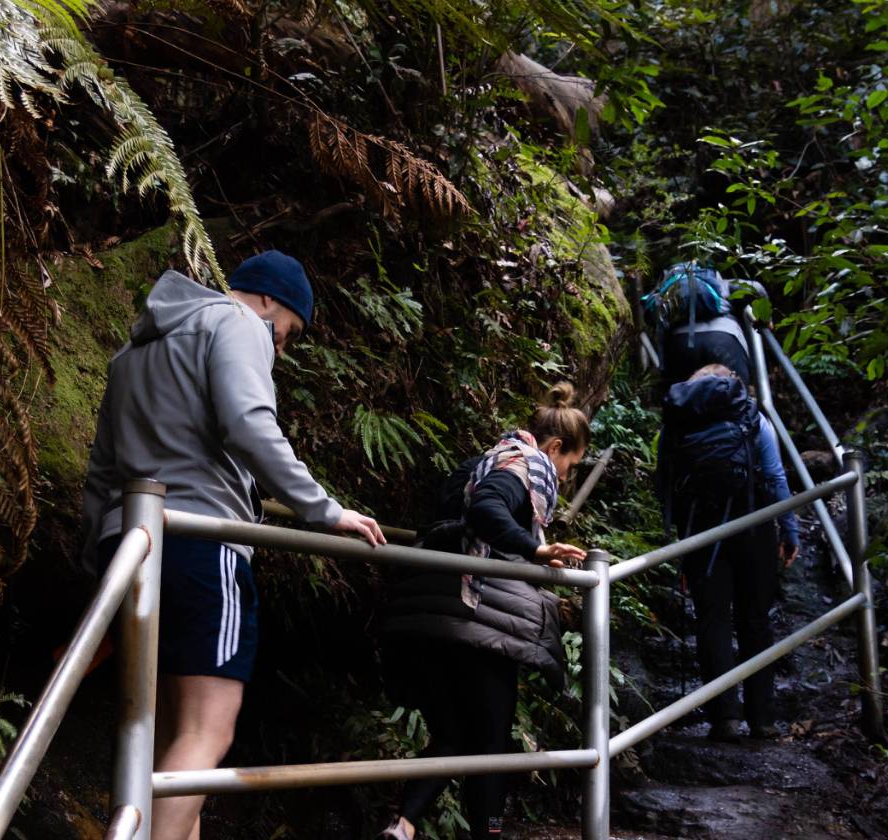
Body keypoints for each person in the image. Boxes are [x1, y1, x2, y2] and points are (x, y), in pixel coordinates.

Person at [80, 250, 386, 840]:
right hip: (201, 545)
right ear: (269, 300)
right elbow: (248, 422)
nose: (280, 348)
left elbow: (101, 471)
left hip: (129, 549)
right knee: (207, 732)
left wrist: (98, 563)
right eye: (288, 333)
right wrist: (325, 512)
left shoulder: (131, 354)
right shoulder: (238, 323)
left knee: (167, 738)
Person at [373, 383, 591, 840]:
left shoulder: (476, 465)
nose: (566, 478)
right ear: (555, 447)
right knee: (492, 744)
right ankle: (487, 833)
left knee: (453, 735)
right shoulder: (523, 466)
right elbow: (489, 511)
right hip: (474, 619)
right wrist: (535, 549)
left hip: (422, 613)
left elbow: (453, 521)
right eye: (570, 466)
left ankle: (404, 824)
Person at [658, 363, 799, 742]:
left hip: (702, 533)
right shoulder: (751, 417)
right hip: (755, 525)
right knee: (755, 620)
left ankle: (725, 718)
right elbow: (775, 476)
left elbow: (666, 486)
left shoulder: (677, 420)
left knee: (713, 620)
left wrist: (678, 545)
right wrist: (790, 529)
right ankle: (763, 718)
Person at [645, 262, 764, 384]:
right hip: (725, 339)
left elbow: (648, 317)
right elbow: (757, 289)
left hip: (681, 344)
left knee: (685, 398)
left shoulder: (666, 293)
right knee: (737, 395)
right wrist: (765, 319)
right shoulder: (719, 284)